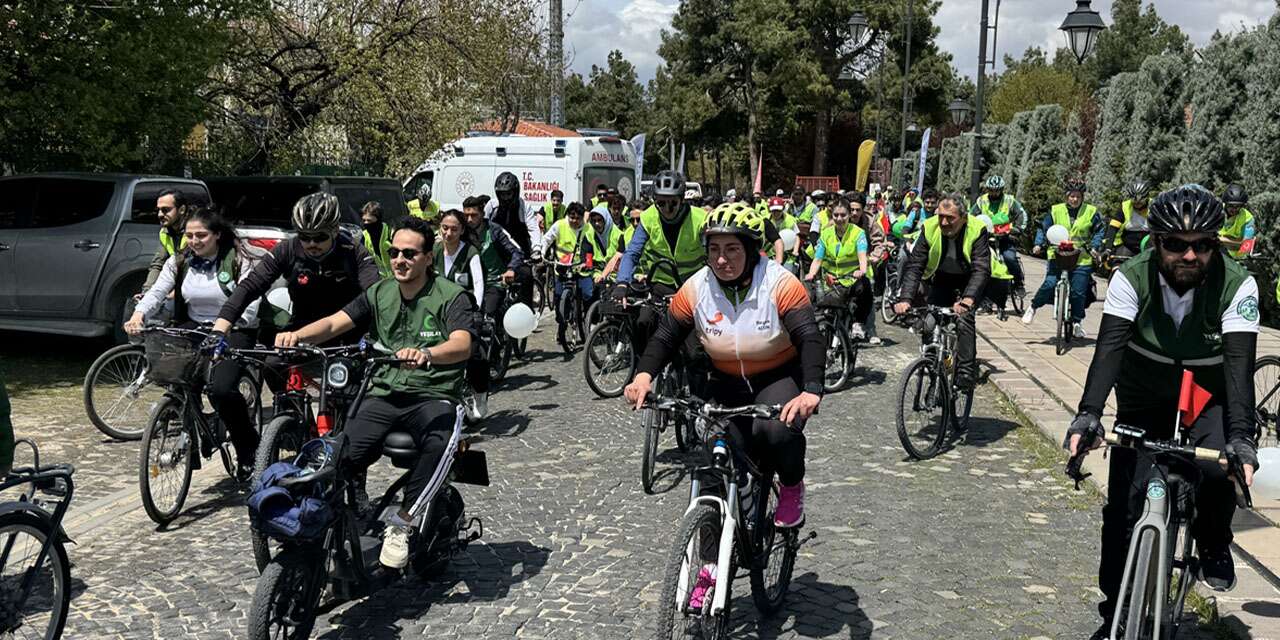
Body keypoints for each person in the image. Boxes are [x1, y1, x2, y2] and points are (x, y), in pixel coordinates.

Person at [1064, 185, 1259, 640]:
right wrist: (1088, 415)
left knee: (1217, 468)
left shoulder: (1238, 284)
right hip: (1144, 387)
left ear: (1215, 245)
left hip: (1207, 390)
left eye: (1202, 245)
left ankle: (1213, 540)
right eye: (1175, 244)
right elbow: (1109, 350)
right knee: (1123, 507)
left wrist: (1242, 438)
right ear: (1155, 242)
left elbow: (1239, 369)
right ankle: (1115, 615)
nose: (1189, 256)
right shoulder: (1131, 277)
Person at [276, 216, 475, 570]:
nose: (400, 259)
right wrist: (298, 336)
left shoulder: (451, 296)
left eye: (410, 253)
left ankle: (402, 524)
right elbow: (338, 321)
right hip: (383, 392)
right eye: (394, 252)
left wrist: (428, 354)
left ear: (428, 257)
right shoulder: (380, 292)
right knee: (339, 455)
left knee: (438, 444)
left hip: (434, 395)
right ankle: (328, 526)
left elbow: (462, 344)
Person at [623, 201, 824, 536]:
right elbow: (666, 336)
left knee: (774, 432)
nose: (721, 259)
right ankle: (708, 570)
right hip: (724, 379)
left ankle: (791, 485)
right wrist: (643, 376)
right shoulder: (697, 286)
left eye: (732, 249)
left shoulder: (780, 283)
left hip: (777, 376)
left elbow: (809, 337)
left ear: (751, 249)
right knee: (716, 456)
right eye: (714, 249)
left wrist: (811, 390)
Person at [127, 206, 263, 477]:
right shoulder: (179, 262)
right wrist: (139, 314)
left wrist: (224, 327)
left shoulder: (238, 259)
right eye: (189, 235)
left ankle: (248, 448)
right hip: (194, 326)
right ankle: (191, 425)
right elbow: (157, 292)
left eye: (201, 235)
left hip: (235, 327)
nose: (194, 241)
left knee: (221, 389)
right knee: (178, 378)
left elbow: (250, 301)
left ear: (217, 235)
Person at [211, 192, 381, 350]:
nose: (312, 244)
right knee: (272, 367)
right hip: (302, 327)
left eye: (320, 237)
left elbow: (374, 296)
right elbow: (250, 286)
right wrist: (220, 329)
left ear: (335, 230)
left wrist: (370, 334)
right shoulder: (287, 250)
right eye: (304, 237)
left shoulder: (355, 252)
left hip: (349, 329)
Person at [893, 195, 991, 391]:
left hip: (969, 279)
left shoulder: (976, 228)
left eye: (950, 218)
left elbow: (981, 268)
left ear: (963, 218)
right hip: (942, 278)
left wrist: (968, 299)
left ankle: (965, 372)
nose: (944, 222)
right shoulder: (929, 227)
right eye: (941, 216)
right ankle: (931, 362)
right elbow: (915, 266)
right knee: (929, 320)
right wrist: (905, 299)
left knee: (963, 320)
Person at [461, 195, 526, 419]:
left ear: (482, 214)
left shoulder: (495, 231)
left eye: (474, 215)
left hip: (493, 283)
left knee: (486, 318)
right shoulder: (461, 232)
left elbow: (517, 251)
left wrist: (510, 269)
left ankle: (493, 356)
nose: (469, 219)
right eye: (466, 215)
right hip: (467, 284)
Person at [1024, 180, 1105, 337]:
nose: (1074, 199)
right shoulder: (1055, 211)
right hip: (1058, 255)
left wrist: (1095, 247)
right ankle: (1033, 307)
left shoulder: (1091, 212)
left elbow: (1099, 231)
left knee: (1078, 292)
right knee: (1050, 283)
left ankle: (1077, 322)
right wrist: (1038, 244)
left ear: (1082, 197)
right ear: (1066, 196)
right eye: (1071, 196)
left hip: (1081, 258)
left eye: (1078, 196)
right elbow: (1043, 227)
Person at [805, 198, 873, 340]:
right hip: (830, 281)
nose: (839, 218)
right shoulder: (826, 234)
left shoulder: (858, 233)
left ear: (849, 215)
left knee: (865, 287)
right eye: (836, 215)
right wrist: (811, 274)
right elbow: (818, 259)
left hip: (851, 279)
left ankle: (858, 324)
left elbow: (862, 255)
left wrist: (861, 270)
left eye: (843, 215)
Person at [485, 172, 543, 305]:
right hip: (497, 253)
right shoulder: (492, 206)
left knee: (527, 276)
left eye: (508, 194)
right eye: (502, 194)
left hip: (520, 253)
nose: (505, 197)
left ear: (515, 192)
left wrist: (536, 250)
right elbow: (483, 225)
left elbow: (533, 228)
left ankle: (526, 312)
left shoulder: (524, 206)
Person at [544, 202, 593, 347]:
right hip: (562, 268)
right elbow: (547, 239)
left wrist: (588, 263)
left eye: (578, 218)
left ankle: (586, 319)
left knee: (587, 293)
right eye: (572, 217)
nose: (574, 221)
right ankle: (562, 325)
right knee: (559, 298)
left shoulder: (587, 228)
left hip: (580, 268)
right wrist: (541, 253)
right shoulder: (559, 225)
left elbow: (590, 247)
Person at [970, 176, 1028, 295]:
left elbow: (1022, 215)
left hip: (1005, 238)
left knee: (1010, 258)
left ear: (1001, 189)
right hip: (987, 239)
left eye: (997, 190)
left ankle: (1018, 283)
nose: (994, 193)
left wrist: (1016, 229)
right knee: (982, 263)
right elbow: (971, 216)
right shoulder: (981, 201)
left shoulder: (1009, 200)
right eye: (991, 190)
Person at [138, 188, 191, 299]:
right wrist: (146, 292)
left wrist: (176, 293)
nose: (160, 214)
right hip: (179, 288)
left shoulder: (196, 231)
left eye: (166, 210)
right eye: (158, 210)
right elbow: (158, 265)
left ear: (181, 210)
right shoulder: (165, 232)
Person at [1104, 179, 1153, 258]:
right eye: (1134, 201)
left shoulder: (1154, 206)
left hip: (1149, 245)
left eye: (1140, 202)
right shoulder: (1125, 206)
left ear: (1146, 197)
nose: (1137, 204)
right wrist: (1107, 249)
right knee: (1119, 265)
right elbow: (1113, 228)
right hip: (1128, 245)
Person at [582, 204, 626, 286]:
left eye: (599, 220)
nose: (597, 224)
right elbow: (588, 254)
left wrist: (604, 275)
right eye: (594, 221)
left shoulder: (619, 235)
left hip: (615, 274)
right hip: (596, 272)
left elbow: (619, 256)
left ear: (606, 220)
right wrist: (587, 264)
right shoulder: (589, 234)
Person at [1219, 183, 1256, 260]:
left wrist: (1222, 240)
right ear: (1225, 204)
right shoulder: (1216, 211)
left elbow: (1246, 245)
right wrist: (1236, 242)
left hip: (1238, 259)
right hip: (1217, 254)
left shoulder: (1248, 219)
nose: (1234, 209)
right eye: (1231, 205)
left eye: (1238, 206)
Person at [361, 201, 393, 277]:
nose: (366, 223)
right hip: (379, 280)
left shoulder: (390, 232)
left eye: (369, 220)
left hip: (396, 278)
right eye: (364, 220)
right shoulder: (364, 236)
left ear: (378, 219)